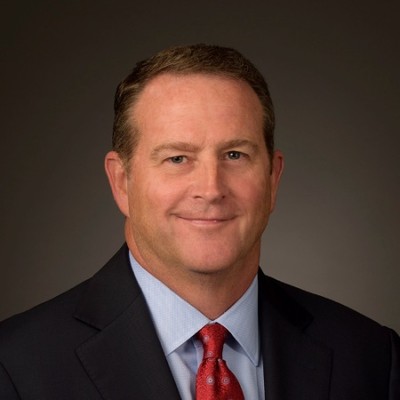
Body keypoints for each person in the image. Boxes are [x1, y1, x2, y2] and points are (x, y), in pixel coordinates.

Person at [0, 44, 398, 400]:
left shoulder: (373, 358)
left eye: (235, 155)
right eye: (177, 158)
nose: (210, 189)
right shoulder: (16, 366)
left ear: (273, 179)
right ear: (122, 182)